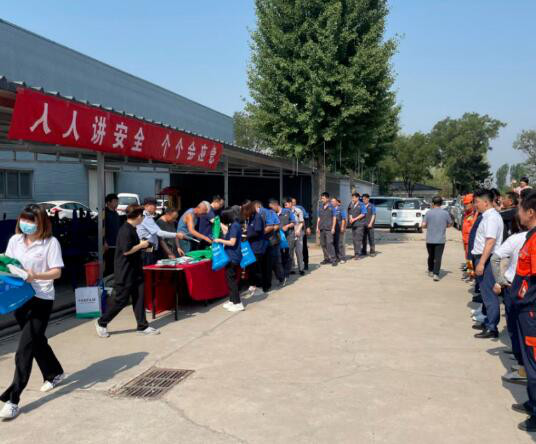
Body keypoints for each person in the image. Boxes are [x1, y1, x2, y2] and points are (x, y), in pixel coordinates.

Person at [0, 204, 65, 420]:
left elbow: (56, 272)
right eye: (24, 219)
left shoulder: (50, 243)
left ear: (41, 223)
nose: (26, 224)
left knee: (24, 349)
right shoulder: (15, 240)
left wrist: (34, 275)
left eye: (31, 221)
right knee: (36, 340)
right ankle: (54, 372)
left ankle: (13, 399)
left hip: (41, 298)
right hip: (19, 298)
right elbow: (9, 264)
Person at [96, 205, 159, 338]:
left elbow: (132, 247)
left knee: (139, 298)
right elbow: (126, 250)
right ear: (138, 216)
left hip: (136, 270)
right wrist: (141, 245)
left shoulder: (132, 229)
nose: (143, 218)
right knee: (121, 300)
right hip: (125, 271)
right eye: (142, 216)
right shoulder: (125, 230)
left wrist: (145, 246)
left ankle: (142, 326)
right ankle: (102, 322)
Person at [509, 190, 536, 432]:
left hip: (531, 311)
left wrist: (526, 301)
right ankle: (532, 402)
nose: (517, 213)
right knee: (529, 363)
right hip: (524, 307)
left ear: (530, 212)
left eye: (520, 209)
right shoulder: (530, 236)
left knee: (534, 364)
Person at [490, 215, 526, 384]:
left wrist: (500, 280)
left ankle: (522, 368)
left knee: (515, 327)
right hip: (528, 288)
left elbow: (495, 258)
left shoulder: (516, 239)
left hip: (514, 286)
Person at [471, 189, 504, 339]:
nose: (475, 205)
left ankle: (492, 327)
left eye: (477, 202)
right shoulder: (487, 216)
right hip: (483, 258)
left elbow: (490, 242)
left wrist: (481, 263)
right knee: (485, 294)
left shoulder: (491, 218)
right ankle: (487, 321)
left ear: (485, 202)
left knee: (489, 295)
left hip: (487, 259)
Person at [136, 197, 184, 266]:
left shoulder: (148, 216)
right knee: (147, 269)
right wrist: (176, 235)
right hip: (147, 249)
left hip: (149, 248)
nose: (156, 208)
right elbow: (159, 233)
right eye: (154, 206)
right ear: (147, 206)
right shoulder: (146, 217)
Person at [214, 207, 245, 312]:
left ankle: (238, 303)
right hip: (232, 255)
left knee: (231, 280)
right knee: (229, 279)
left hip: (232, 256)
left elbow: (232, 242)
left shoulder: (234, 226)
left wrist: (219, 240)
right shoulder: (234, 224)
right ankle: (232, 300)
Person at [422, 196, 452, 281]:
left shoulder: (428, 213)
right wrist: (444, 226)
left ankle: (430, 270)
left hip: (430, 239)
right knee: (438, 257)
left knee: (431, 256)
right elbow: (450, 224)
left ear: (433, 203)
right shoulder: (445, 213)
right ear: (441, 203)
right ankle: (436, 274)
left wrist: (428, 226)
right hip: (440, 240)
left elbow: (423, 225)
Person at [244, 201, 271, 295]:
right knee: (252, 268)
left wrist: (246, 235)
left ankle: (260, 287)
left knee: (257, 268)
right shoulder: (251, 217)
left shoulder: (257, 217)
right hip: (252, 246)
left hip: (258, 246)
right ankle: (253, 285)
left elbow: (257, 231)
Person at [270, 199, 296, 278]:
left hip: (289, 236)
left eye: (272, 207)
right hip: (279, 237)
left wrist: (287, 226)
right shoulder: (272, 214)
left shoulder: (287, 211)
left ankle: (286, 272)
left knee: (289, 253)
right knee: (280, 254)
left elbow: (294, 222)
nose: (271, 209)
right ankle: (282, 271)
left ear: (276, 205)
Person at [260, 203, 285, 286]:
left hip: (273, 240)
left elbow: (277, 225)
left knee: (276, 261)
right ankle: (267, 282)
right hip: (264, 241)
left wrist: (268, 230)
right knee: (267, 262)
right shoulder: (256, 214)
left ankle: (281, 278)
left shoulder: (271, 213)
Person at [317, 192, 337, 266]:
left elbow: (334, 217)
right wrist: (317, 227)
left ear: (327, 198)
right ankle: (326, 258)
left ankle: (333, 259)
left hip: (329, 228)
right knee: (323, 244)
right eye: (321, 198)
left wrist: (333, 227)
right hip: (322, 228)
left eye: (323, 198)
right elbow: (319, 218)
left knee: (329, 243)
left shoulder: (332, 207)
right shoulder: (320, 207)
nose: (322, 199)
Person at [103, 193, 121, 277]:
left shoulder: (116, 214)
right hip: (108, 245)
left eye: (117, 201)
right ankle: (107, 282)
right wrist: (104, 241)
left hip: (116, 244)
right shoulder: (104, 214)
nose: (117, 203)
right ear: (108, 202)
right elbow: (101, 229)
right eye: (115, 201)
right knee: (109, 266)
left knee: (115, 265)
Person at [286, 198, 305, 275]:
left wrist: (298, 230)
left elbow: (302, 222)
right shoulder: (285, 212)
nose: (285, 206)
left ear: (291, 203)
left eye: (286, 204)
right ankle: (292, 268)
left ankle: (301, 269)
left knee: (299, 251)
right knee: (290, 251)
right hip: (289, 234)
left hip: (298, 233)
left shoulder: (298, 211)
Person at [292, 198, 310, 270]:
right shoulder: (287, 210)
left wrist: (307, 227)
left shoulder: (300, 208)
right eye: (291, 202)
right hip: (292, 232)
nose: (293, 203)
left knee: (303, 248)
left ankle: (305, 263)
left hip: (301, 231)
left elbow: (306, 217)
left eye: (294, 202)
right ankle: (292, 266)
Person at [347, 192, 367, 259]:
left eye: (354, 197)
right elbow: (350, 212)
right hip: (353, 225)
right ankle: (356, 253)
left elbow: (363, 214)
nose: (352, 199)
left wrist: (354, 219)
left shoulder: (362, 204)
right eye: (352, 197)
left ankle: (358, 254)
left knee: (358, 239)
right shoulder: (351, 204)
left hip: (360, 224)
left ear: (357, 198)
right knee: (354, 239)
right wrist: (350, 218)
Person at [461, 194, 477, 263]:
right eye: (464, 204)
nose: (465, 205)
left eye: (467, 203)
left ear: (473, 203)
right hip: (466, 241)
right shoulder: (466, 214)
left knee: (470, 259)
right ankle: (469, 268)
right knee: (467, 259)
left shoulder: (476, 214)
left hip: (471, 242)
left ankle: (471, 269)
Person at [331, 198, 347, 264]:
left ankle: (343, 258)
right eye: (331, 201)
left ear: (337, 202)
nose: (332, 202)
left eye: (333, 201)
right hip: (333, 229)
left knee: (340, 243)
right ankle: (337, 257)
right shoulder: (331, 209)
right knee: (334, 243)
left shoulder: (341, 209)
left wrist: (342, 227)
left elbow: (343, 218)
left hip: (340, 228)